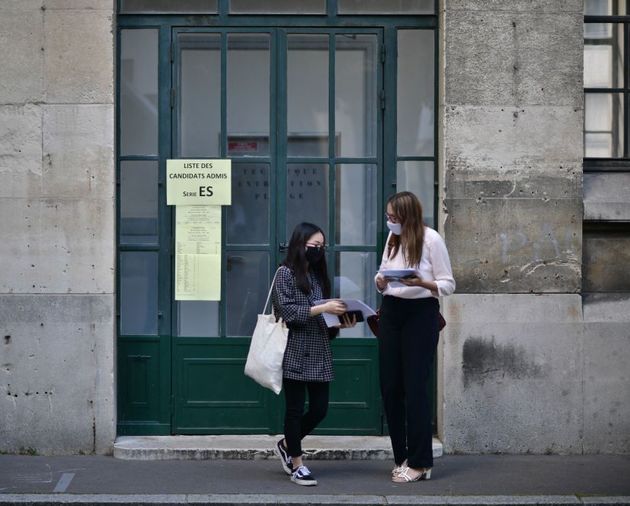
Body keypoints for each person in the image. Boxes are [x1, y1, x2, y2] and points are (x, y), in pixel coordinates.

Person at [374, 191, 455, 483]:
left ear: (407, 216)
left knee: (415, 387)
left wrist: (421, 282)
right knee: (390, 386)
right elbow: (382, 274)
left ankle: (421, 462)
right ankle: (402, 457)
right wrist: (380, 281)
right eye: (388, 217)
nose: (390, 221)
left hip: (420, 313)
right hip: (392, 311)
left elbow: (448, 284)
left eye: (394, 217)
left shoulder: (431, 239)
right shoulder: (392, 239)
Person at [272, 222, 356, 486]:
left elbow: (324, 317)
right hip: (295, 348)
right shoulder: (284, 273)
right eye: (314, 246)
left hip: (319, 349)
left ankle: (286, 444)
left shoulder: (319, 277)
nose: (319, 251)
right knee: (294, 410)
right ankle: (297, 464)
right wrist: (322, 309)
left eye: (322, 246)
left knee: (320, 410)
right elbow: (289, 312)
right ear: (300, 245)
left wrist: (341, 323)